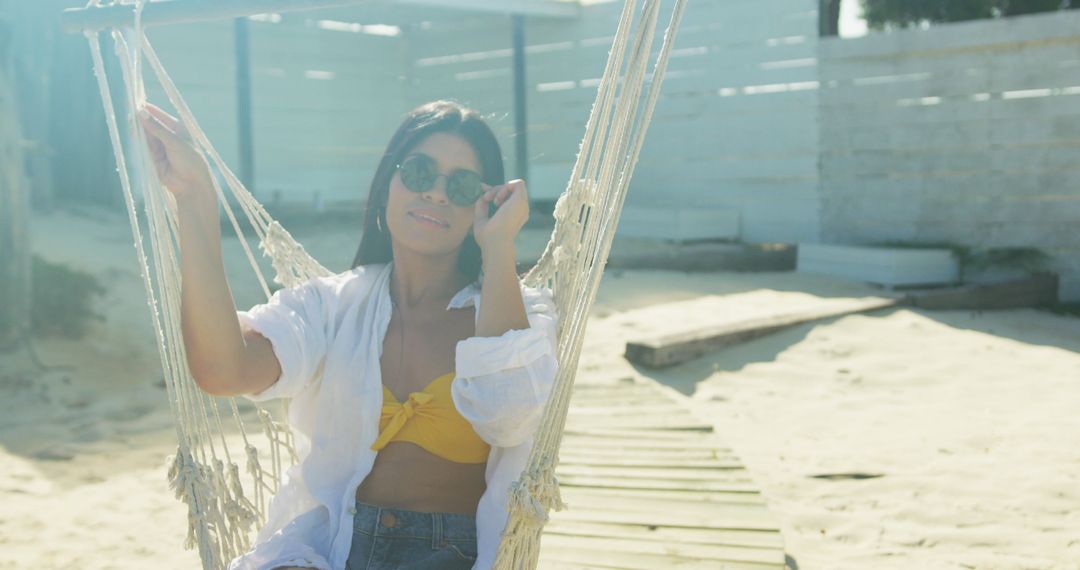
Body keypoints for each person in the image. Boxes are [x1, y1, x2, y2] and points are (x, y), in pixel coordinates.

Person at [137, 99, 559, 570]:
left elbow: (507, 416)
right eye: (420, 173)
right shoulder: (334, 306)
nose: (437, 195)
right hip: (330, 547)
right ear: (387, 186)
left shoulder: (516, 314)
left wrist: (498, 246)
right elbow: (222, 368)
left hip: (448, 555)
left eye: (461, 186)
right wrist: (195, 197)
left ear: (483, 203)